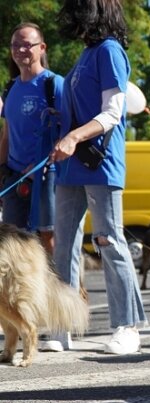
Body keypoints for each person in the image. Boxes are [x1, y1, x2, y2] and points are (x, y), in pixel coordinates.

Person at [48, 0, 147, 354]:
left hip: (100, 162)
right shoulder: (86, 55)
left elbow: (113, 113)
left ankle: (128, 326)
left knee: (108, 239)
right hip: (72, 165)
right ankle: (63, 324)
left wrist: (74, 137)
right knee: (65, 246)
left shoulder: (109, 51)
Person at [0, 23, 63, 256]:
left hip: (47, 175)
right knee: (12, 241)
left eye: (27, 44)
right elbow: (7, 134)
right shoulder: (11, 89)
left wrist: (45, 163)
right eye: (15, 45)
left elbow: (68, 132)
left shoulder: (53, 84)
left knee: (49, 237)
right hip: (15, 178)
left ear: (42, 48)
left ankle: (62, 289)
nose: (20, 50)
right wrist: (2, 171)